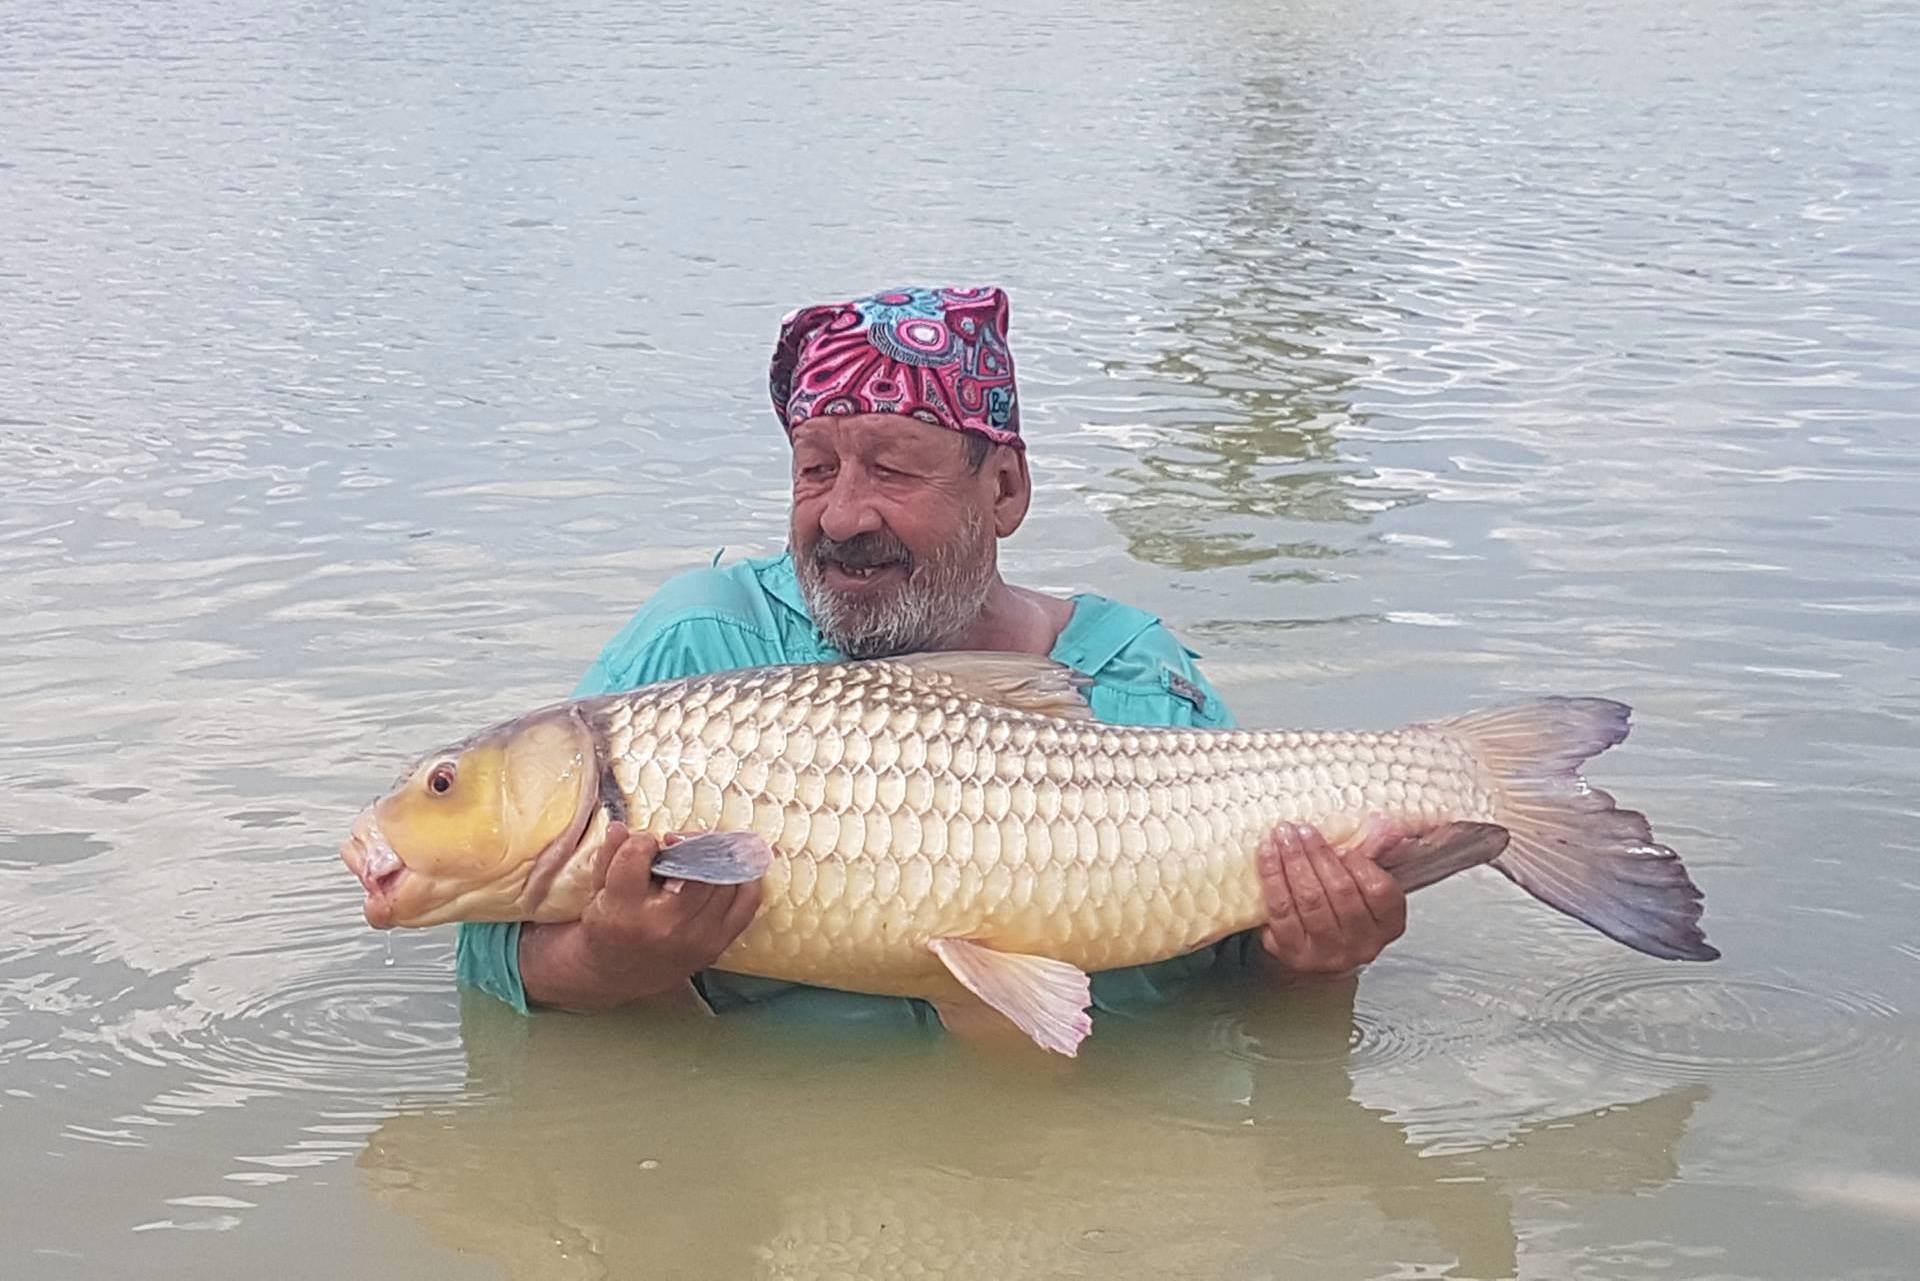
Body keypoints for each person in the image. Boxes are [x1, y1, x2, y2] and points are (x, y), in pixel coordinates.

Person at [456, 284, 1410, 1028]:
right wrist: (605, 964)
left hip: (1062, 1158)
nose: (842, 514)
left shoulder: (1134, 681)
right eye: (815, 468)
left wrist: (1311, 956)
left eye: (894, 467)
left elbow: (1246, 990)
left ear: (1003, 489)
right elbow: (488, 950)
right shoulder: (700, 647)